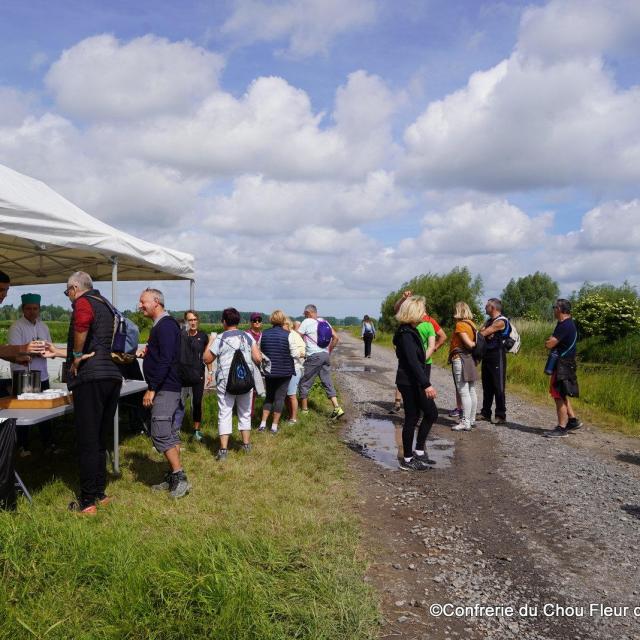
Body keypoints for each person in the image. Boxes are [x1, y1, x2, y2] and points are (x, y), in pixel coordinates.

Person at [63, 271, 124, 514]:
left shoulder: (84, 303)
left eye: (68, 291)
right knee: (100, 438)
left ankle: (87, 501)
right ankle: (100, 492)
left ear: (75, 288)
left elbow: (81, 323)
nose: (68, 296)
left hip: (91, 378)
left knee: (88, 440)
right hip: (111, 375)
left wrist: (76, 357)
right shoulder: (106, 304)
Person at [138, 288, 191, 499]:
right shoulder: (161, 325)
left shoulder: (166, 325)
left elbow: (167, 359)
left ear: (156, 301)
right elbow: (163, 354)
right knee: (168, 432)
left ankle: (180, 477)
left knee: (160, 432)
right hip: (165, 385)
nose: (140, 305)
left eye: (143, 302)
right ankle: (172, 476)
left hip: (165, 387)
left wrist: (152, 388)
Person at [204, 307, 262, 460]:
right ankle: (246, 444)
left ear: (223, 321)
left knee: (225, 412)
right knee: (245, 412)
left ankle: (223, 450)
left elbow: (207, 359)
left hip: (225, 381)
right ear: (238, 321)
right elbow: (258, 358)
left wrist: (210, 341)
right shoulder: (248, 337)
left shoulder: (221, 338)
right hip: (245, 380)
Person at [8, 293, 60, 456]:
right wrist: (34, 351)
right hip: (23, 376)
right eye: (29, 309)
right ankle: (22, 445)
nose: (32, 312)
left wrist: (46, 351)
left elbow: (50, 348)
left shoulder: (43, 327)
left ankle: (48, 443)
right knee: (23, 411)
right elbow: (16, 351)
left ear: (39, 309)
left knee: (45, 411)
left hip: (42, 375)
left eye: (35, 309)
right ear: (23, 309)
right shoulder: (16, 327)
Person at [392, 295, 438, 471]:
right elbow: (412, 362)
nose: (425, 313)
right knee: (413, 417)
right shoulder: (406, 334)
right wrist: (427, 384)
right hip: (409, 381)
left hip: (413, 380)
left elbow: (417, 361)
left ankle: (418, 452)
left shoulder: (411, 331)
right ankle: (408, 459)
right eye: (422, 310)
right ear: (414, 312)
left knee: (428, 413)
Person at [391, 290, 448, 414]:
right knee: (409, 381)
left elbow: (443, 336)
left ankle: (417, 408)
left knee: (419, 385)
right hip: (413, 358)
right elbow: (397, 310)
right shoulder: (408, 324)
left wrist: (433, 348)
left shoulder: (430, 321)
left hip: (424, 360)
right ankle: (398, 402)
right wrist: (403, 299)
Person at [297, 304, 344, 420]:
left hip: (313, 356)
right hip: (325, 355)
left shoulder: (306, 322)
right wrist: (328, 351)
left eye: (305, 314)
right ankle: (337, 408)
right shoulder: (324, 322)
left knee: (304, 382)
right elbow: (336, 338)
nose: (304, 316)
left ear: (308, 313)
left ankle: (304, 411)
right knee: (327, 381)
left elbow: (297, 337)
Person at [544, 299, 582, 438]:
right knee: (562, 392)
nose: (553, 309)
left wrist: (549, 342)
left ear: (559, 309)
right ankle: (572, 420)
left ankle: (561, 428)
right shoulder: (566, 323)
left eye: (554, 307)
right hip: (567, 363)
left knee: (558, 395)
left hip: (562, 365)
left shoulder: (564, 326)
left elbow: (549, 344)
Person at [174, 310, 212, 442]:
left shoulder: (203, 336)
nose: (193, 322)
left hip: (198, 375)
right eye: (190, 320)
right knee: (179, 403)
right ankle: (176, 429)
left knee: (196, 403)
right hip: (182, 375)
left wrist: (210, 373)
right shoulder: (181, 336)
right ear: (186, 322)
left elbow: (207, 357)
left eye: (195, 319)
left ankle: (196, 431)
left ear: (198, 321)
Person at [258, 310, 294, 433]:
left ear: (271, 320)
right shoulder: (288, 334)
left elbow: (260, 350)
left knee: (269, 397)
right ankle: (274, 426)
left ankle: (262, 424)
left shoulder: (264, 334)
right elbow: (293, 353)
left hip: (269, 371)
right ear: (283, 320)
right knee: (279, 398)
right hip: (285, 371)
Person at [447, 302, 478, 432]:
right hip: (469, 358)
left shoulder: (460, 325)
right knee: (471, 390)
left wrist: (472, 344)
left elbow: (469, 344)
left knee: (464, 391)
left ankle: (465, 422)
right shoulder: (472, 324)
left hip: (460, 359)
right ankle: (471, 420)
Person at [478, 298, 509, 424]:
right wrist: (484, 332)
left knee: (498, 386)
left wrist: (486, 332)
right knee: (487, 385)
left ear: (493, 308)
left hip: (497, 355)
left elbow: (482, 334)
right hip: (487, 355)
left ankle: (501, 415)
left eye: (487, 305)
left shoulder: (501, 321)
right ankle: (485, 413)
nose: (485, 307)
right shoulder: (489, 321)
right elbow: (481, 332)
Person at [283, 318, 305, 424]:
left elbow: (301, 353)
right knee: (286, 395)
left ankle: (293, 418)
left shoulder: (293, 335)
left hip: (295, 368)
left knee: (291, 394)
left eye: (283, 325)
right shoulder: (286, 334)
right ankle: (289, 415)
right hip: (287, 368)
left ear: (288, 325)